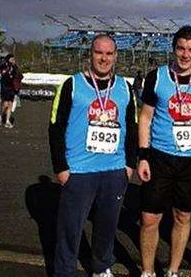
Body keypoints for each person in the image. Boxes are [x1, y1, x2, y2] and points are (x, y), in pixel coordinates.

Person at [49, 34, 138, 277]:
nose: (104, 58)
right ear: (90, 54)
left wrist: (129, 165)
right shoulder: (72, 85)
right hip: (78, 171)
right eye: (99, 52)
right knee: (70, 228)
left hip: (114, 170)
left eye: (109, 54)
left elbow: (132, 127)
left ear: (116, 56)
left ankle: (101, 267)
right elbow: (56, 127)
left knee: (107, 226)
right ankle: (65, 271)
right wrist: (61, 168)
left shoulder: (124, 88)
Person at [137, 25, 191, 277]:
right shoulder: (157, 77)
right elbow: (145, 118)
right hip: (160, 157)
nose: (185, 55)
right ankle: (148, 271)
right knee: (150, 218)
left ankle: (173, 270)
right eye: (181, 48)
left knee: (183, 216)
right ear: (173, 49)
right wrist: (143, 156)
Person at [0, 53, 23, 128]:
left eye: (13, 59)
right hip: (5, 87)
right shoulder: (4, 66)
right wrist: (8, 67)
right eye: (11, 59)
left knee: (10, 104)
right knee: (5, 105)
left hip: (12, 87)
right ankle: (1, 116)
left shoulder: (15, 67)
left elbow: (19, 75)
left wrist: (14, 66)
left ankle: (7, 120)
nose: (13, 60)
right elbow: (3, 74)